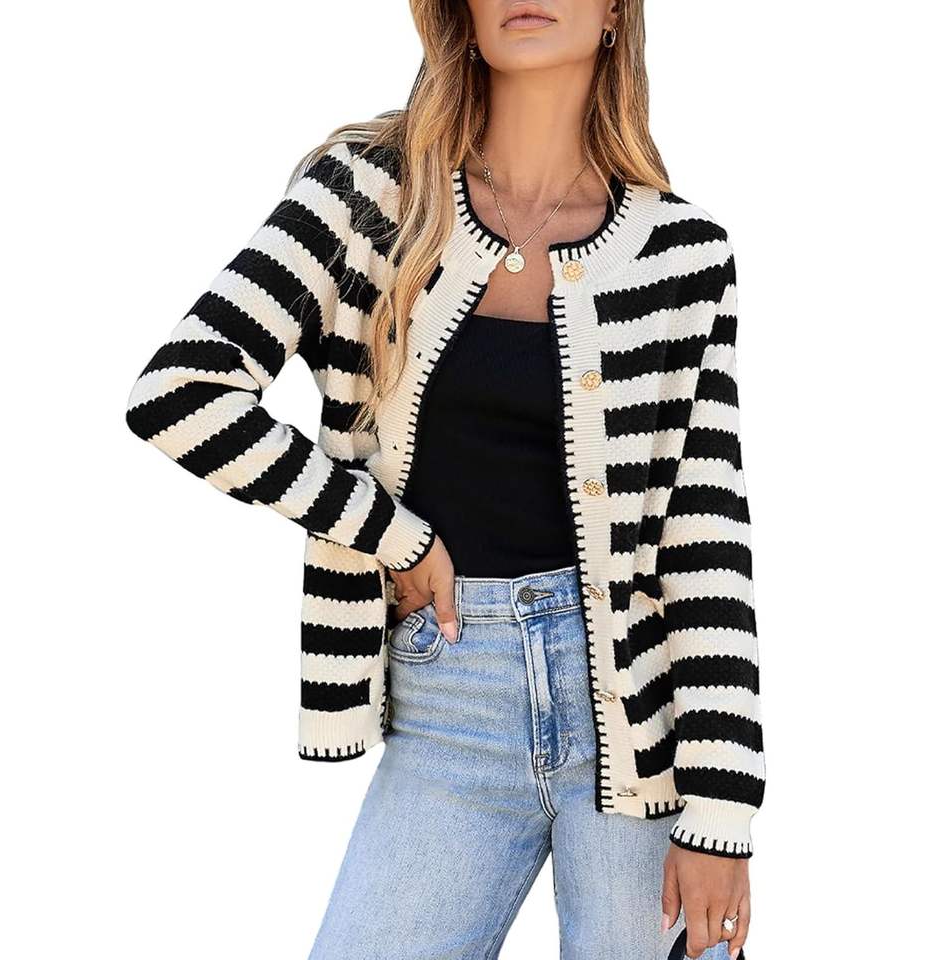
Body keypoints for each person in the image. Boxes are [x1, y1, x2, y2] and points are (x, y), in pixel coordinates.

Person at [125, 2, 764, 957]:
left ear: (614, 12)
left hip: (642, 732)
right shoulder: (366, 196)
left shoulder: (683, 254)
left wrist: (722, 814)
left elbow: (705, 544)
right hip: (449, 701)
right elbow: (181, 392)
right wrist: (393, 535)